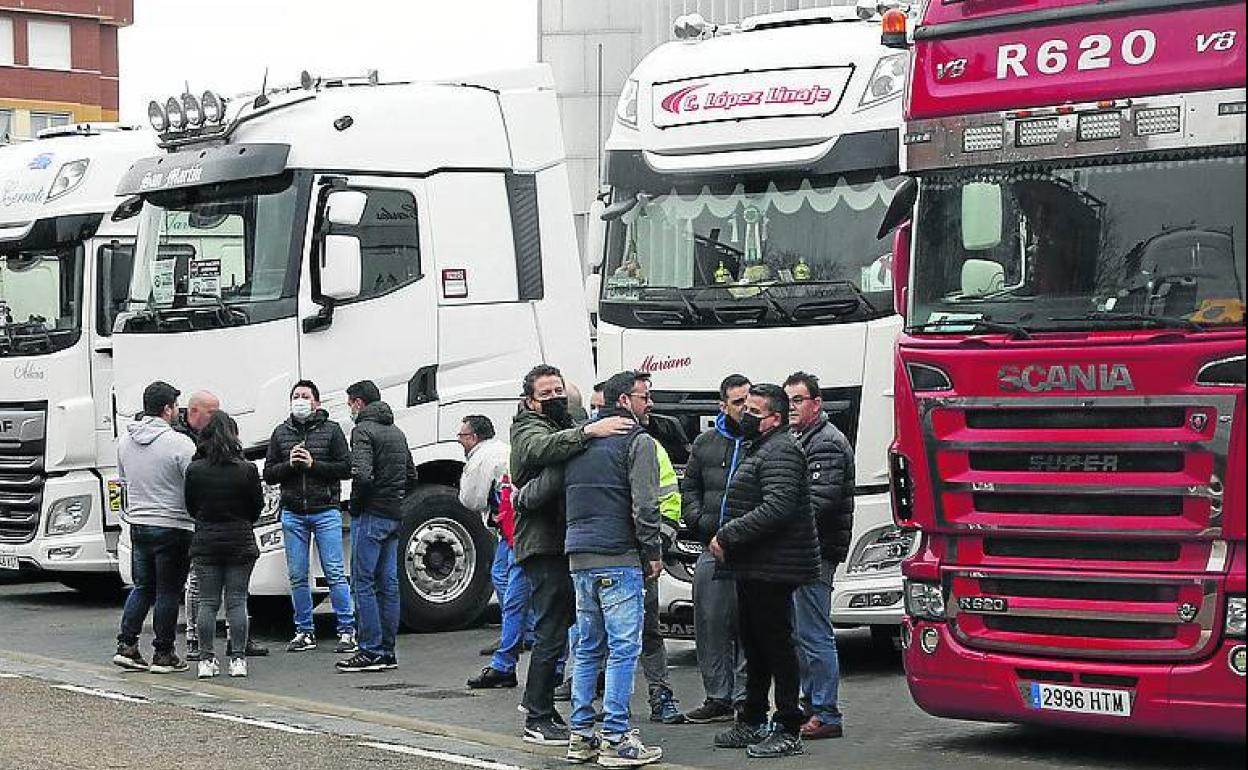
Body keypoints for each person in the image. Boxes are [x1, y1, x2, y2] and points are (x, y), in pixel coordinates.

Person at [509, 364, 629, 745]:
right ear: (530, 401)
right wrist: (589, 431)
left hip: (563, 541)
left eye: (558, 390)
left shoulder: (563, 426)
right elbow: (540, 449)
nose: (555, 397)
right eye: (546, 394)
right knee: (550, 629)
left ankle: (539, 705)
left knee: (561, 628)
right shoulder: (528, 428)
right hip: (542, 543)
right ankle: (539, 716)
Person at [710, 384, 819, 759]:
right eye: (746, 409)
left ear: (774, 419)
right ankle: (752, 718)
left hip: (773, 566)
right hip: (756, 565)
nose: (746, 416)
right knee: (754, 644)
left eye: (755, 412)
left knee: (775, 644)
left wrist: (728, 534)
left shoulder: (782, 450)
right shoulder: (763, 448)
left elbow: (779, 506)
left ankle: (788, 725)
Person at [563, 371, 663, 767]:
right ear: (624, 401)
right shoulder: (637, 442)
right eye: (644, 396)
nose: (650, 403)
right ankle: (617, 738)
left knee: (588, 649)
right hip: (619, 557)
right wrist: (652, 550)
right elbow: (645, 505)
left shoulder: (579, 441)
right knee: (624, 649)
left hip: (579, 556)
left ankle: (580, 737)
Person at [678, 374, 751, 724]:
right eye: (738, 402)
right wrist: (704, 524)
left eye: (748, 400)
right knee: (709, 622)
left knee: (748, 626)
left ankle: (743, 697)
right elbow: (688, 490)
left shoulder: (762, 441)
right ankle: (717, 696)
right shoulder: (705, 443)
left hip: (752, 547)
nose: (745, 408)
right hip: (712, 546)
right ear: (723, 406)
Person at [264, 380, 356, 655]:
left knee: (335, 572)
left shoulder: (332, 430)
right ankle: (304, 630)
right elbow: (269, 473)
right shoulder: (281, 433)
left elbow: (346, 467)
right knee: (297, 575)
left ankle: (346, 630)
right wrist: (290, 465)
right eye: (295, 396)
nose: (300, 400)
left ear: (316, 402)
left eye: (305, 396)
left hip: (326, 509)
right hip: (293, 512)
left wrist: (314, 465)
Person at [784, 371, 853, 740]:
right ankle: (812, 705)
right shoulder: (803, 438)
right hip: (804, 551)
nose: (791, 406)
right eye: (788, 400)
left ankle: (826, 712)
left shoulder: (824, 443)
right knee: (801, 632)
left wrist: (778, 515)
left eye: (798, 400)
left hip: (816, 552)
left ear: (816, 403)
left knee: (814, 634)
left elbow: (821, 502)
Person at [112, 381, 197, 674]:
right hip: (174, 524)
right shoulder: (180, 443)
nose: (177, 412)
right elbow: (194, 481)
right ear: (166, 409)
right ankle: (164, 652)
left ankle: (127, 645)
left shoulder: (124, 442)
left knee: (143, 586)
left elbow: (123, 481)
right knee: (169, 591)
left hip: (139, 523)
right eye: (175, 406)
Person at [177, 391, 268, 661]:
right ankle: (238, 657)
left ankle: (206, 658)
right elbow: (256, 506)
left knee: (207, 602)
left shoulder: (195, 470)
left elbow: (191, 506)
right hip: (240, 539)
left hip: (206, 540)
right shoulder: (247, 469)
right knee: (237, 601)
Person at [338, 380, 418, 673]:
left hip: (370, 514)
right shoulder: (397, 432)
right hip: (394, 514)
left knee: (363, 582)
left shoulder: (362, 431)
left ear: (358, 403)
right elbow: (411, 475)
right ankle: (387, 650)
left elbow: (361, 475)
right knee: (389, 584)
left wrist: (357, 506)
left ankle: (369, 650)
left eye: (349, 403)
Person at [460, 414, 527, 689]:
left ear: (473, 437)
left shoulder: (482, 458)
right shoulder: (507, 451)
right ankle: (508, 659)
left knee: (514, 594)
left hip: (518, 534)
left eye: (461, 436)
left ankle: (508, 660)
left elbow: (470, 498)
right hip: (514, 532)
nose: (460, 441)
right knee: (509, 586)